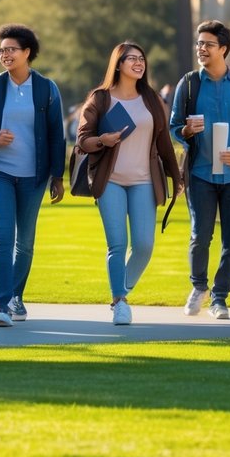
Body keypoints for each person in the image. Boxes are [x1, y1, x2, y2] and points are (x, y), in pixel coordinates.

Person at [0, 23, 65, 326]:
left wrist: (57, 176)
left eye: (11, 49)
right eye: (1, 50)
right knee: (3, 238)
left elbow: (56, 135)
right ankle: (3, 305)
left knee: (25, 242)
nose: (5, 55)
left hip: (33, 177)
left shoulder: (46, 88)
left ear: (27, 52)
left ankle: (16, 295)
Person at [77, 41, 181, 325]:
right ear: (118, 64)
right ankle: (121, 302)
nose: (138, 63)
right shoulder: (101, 99)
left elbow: (164, 142)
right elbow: (83, 139)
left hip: (144, 182)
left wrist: (176, 177)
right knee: (117, 245)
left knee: (144, 245)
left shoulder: (151, 99)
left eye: (141, 59)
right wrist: (102, 140)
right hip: (109, 181)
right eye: (131, 58)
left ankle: (119, 291)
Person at [168, 20, 230, 320]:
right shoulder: (189, 85)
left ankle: (220, 297)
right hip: (200, 173)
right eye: (199, 43)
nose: (201, 49)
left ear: (223, 49)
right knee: (200, 235)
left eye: (208, 44)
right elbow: (173, 127)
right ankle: (199, 286)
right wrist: (186, 130)